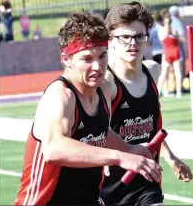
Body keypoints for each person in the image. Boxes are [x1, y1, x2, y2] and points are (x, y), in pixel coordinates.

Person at [13, 11, 162, 206]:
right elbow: (54, 148)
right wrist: (120, 157)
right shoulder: (61, 95)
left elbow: (99, 131)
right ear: (66, 59)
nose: (97, 66)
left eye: (102, 56)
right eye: (87, 59)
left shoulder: (102, 89)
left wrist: (129, 148)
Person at [100, 2, 193, 206]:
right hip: (111, 184)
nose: (132, 43)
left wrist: (171, 159)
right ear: (111, 40)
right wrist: (120, 153)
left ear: (146, 38)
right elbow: (99, 131)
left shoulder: (153, 71)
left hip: (146, 180)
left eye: (138, 36)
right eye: (124, 37)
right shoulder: (107, 82)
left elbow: (152, 128)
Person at [158, 15, 183, 98]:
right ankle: (179, 92)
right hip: (174, 51)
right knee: (177, 72)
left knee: (164, 73)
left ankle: (159, 91)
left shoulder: (161, 31)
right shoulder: (174, 31)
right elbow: (179, 41)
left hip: (167, 52)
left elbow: (162, 41)